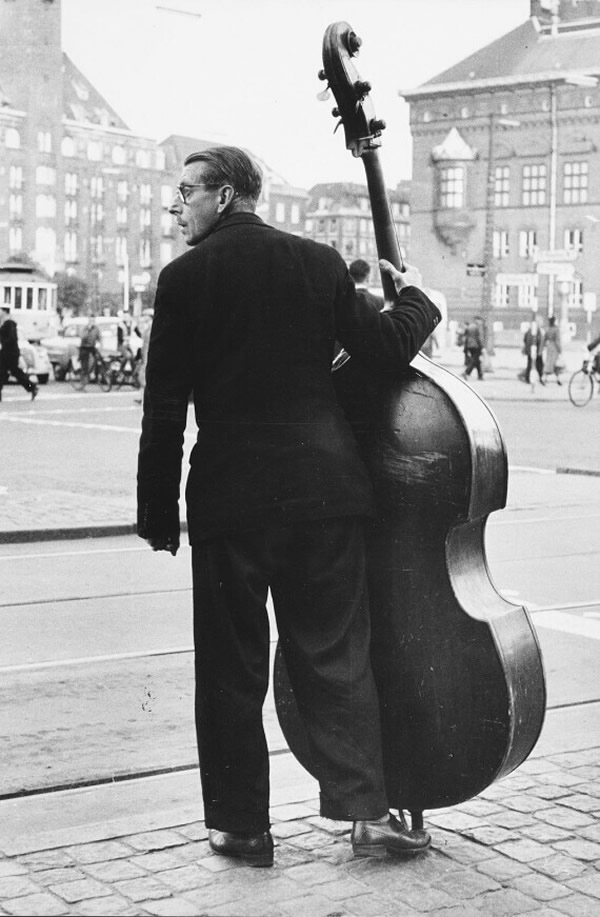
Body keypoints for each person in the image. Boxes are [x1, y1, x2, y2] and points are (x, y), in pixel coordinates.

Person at [137, 146, 441, 868]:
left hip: (231, 502)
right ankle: (368, 817)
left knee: (230, 670)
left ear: (229, 195)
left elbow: (165, 407)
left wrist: (157, 513)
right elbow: (378, 351)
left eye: (186, 193)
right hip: (325, 497)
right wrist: (418, 300)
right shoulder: (318, 262)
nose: (175, 207)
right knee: (337, 656)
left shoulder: (184, 278)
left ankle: (244, 827)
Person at [0, 308, 38, 402]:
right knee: (2, 373)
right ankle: (32, 387)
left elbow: (12, 338)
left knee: (16, 373)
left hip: (10, 353)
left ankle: (32, 387)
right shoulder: (4, 323)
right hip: (5, 352)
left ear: (5, 312)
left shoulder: (10, 323)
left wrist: (3, 343)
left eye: (0, 311)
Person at [78, 316, 102, 382]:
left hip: (92, 347)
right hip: (84, 347)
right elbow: (82, 337)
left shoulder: (96, 329)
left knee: (98, 358)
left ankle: (95, 374)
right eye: (91, 321)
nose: (92, 322)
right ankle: (83, 377)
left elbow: (99, 337)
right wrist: (88, 330)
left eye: (93, 321)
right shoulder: (85, 328)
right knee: (85, 362)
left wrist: (99, 344)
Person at [523, 318, 545, 386]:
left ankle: (527, 378)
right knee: (539, 364)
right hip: (536, 350)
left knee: (529, 364)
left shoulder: (529, 331)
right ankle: (540, 377)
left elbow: (525, 339)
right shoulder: (537, 331)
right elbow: (538, 340)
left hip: (530, 350)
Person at [543, 316, 563, 385]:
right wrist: (560, 350)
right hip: (554, 348)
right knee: (555, 364)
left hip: (549, 347)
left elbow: (544, 338)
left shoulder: (548, 329)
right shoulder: (556, 329)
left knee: (548, 363)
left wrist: (544, 346)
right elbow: (557, 341)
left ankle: (545, 379)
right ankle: (558, 379)